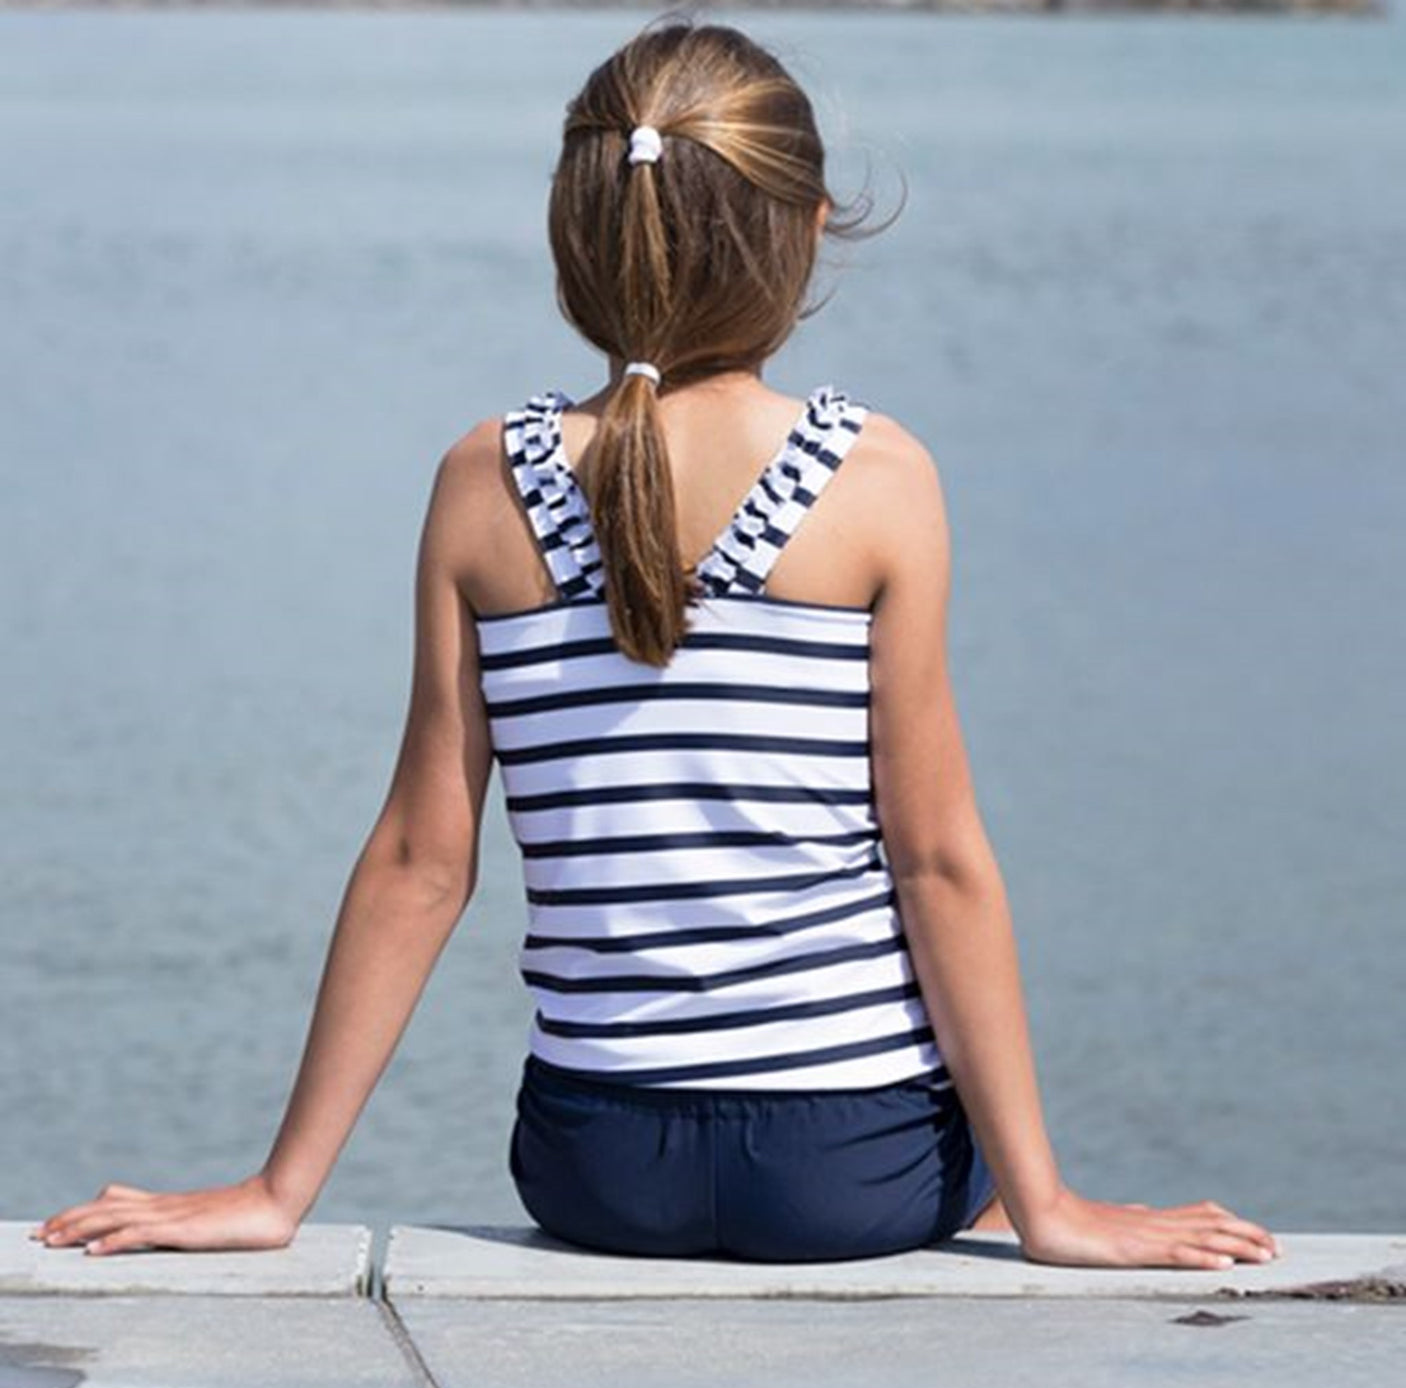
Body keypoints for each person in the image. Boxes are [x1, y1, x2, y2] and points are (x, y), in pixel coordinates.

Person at [33, 19, 1278, 1269]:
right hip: (844, 1169)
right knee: (991, 1192)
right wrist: (1046, 1202)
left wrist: (275, 1188)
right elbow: (936, 861)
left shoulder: (483, 480)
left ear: (579, 239)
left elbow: (421, 859)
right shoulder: (875, 478)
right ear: (800, 231)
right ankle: (1019, 1205)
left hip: (595, 1165)